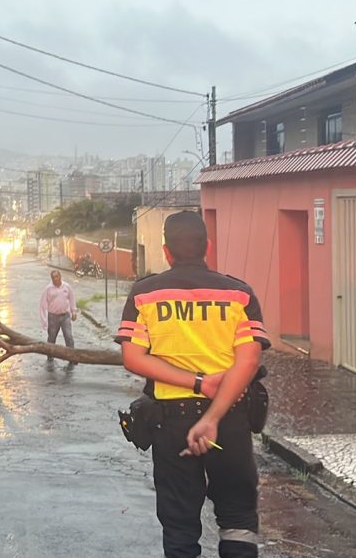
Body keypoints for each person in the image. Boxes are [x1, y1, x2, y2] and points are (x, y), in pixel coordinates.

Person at [114, 211, 270, 558]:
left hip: (170, 426)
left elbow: (134, 358)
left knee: (180, 524)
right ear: (207, 247)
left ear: (166, 251)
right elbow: (248, 361)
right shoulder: (239, 294)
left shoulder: (144, 295)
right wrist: (213, 415)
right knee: (238, 518)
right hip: (229, 421)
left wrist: (197, 383)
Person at [39, 269, 78, 361]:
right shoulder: (48, 289)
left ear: (60, 277)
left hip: (65, 316)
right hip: (53, 317)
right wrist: (44, 322)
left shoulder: (67, 287)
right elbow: (43, 306)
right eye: (53, 277)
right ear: (51, 279)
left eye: (57, 277)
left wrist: (74, 311)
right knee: (52, 338)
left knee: (69, 337)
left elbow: (72, 298)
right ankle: (50, 357)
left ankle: (72, 357)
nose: (55, 279)